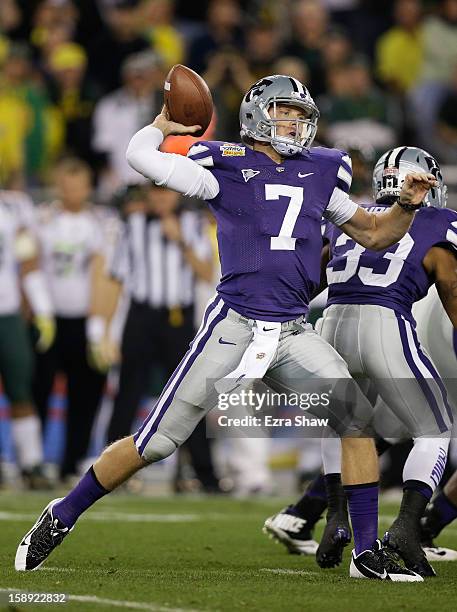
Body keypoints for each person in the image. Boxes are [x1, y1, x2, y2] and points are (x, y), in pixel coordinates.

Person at [15, 74, 436, 580]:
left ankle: (367, 554)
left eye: (301, 114)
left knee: (355, 420)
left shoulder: (323, 170)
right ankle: (61, 513)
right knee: (157, 443)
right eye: (285, 111)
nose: (297, 122)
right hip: (234, 325)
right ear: (257, 115)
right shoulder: (226, 165)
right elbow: (142, 159)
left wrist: (406, 205)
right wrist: (160, 126)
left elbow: (373, 233)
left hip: (293, 330)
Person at [264, 146, 455, 578]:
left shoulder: (352, 215)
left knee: (345, 423)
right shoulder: (439, 222)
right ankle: (407, 527)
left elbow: (310, 275)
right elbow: (451, 289)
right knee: (435, 430)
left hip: (331, 320)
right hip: (386, 321)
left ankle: (336, 516)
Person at [93, 183, 221, 493]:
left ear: (178, 193)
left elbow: (206, 273)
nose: (160, 198)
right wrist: (102, 328)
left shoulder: (193, 224)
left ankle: (204, 475)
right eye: (154, 192)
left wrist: (181, 242)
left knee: (188, 396)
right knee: (128, 394)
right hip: (141, 316)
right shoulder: (131, 225)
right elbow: (116, 277)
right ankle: (111, 473)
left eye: (165, 192)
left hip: (177, 317)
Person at [32, 157, 107, 481]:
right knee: (39, 390)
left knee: (85, 395)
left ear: (87, 188)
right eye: (66, 183)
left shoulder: (100, 223)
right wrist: (38, 311)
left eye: (77, 184)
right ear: (58, 186)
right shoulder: (42, 220)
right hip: (49, 319)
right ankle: (33, 460)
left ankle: (71, 461)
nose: (71, 190)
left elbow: (104, 276)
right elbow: (30, 266)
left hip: (85, 321)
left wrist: (101, 326)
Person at [0, 188, 54, 488]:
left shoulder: (12, 206)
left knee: (20, 390)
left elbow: (27, 259)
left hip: (7, 313)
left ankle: (31, 463)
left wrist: (41, 307)